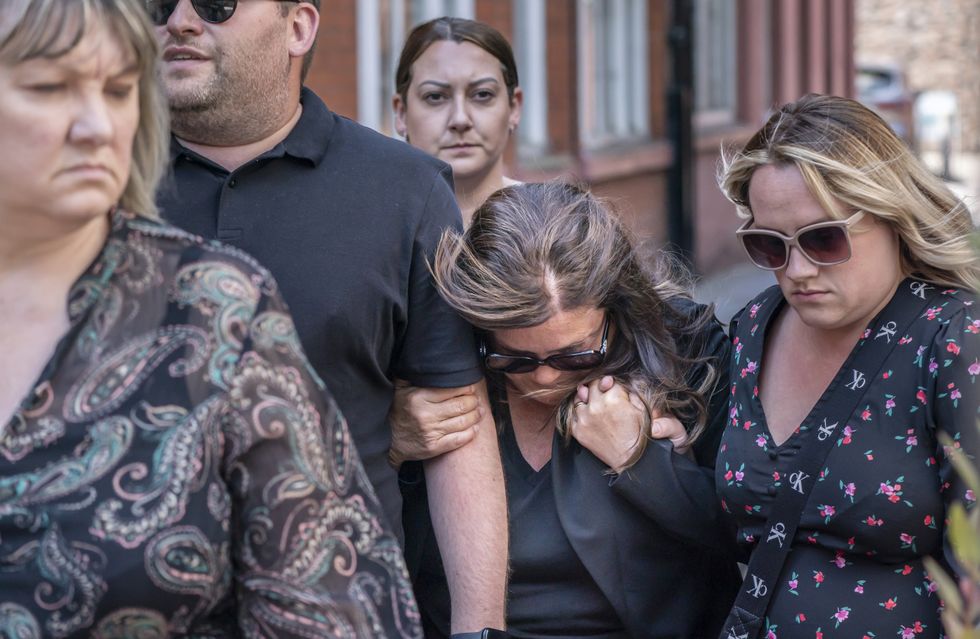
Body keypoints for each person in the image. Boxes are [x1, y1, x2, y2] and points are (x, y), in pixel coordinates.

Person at [0, 0, 419, 636]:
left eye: (118, 90)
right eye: (49, 88)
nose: (95, 125)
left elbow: (335, 605)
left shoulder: (215, 311)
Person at [149, 1, 508, 635]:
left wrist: (479, 629)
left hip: (344, 611)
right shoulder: (83, 187)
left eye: (216, 4)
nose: (179, 20)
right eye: (156, 3)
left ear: (298, 26)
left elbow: (459, 429)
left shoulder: (407, 190)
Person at [397, 181, 740, 638]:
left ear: (616, 311)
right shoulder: (440, 363)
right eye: (513, 357)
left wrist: (643, 463)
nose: (543, 378)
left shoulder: (686, 352)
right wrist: (392, 444)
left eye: (573, 356)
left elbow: (747, 536)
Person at [716, 93, 979, 639]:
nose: (798, 270)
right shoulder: (753, 327)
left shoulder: (954, 339)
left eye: (823, 238)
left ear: (889, 215)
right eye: (769, 246)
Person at [393, 16, 522, 226]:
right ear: (401, 113)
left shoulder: (556, 226)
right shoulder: (370, 225)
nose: (460, 119)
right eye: (435, 96)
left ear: (514, 107)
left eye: (482, 94)